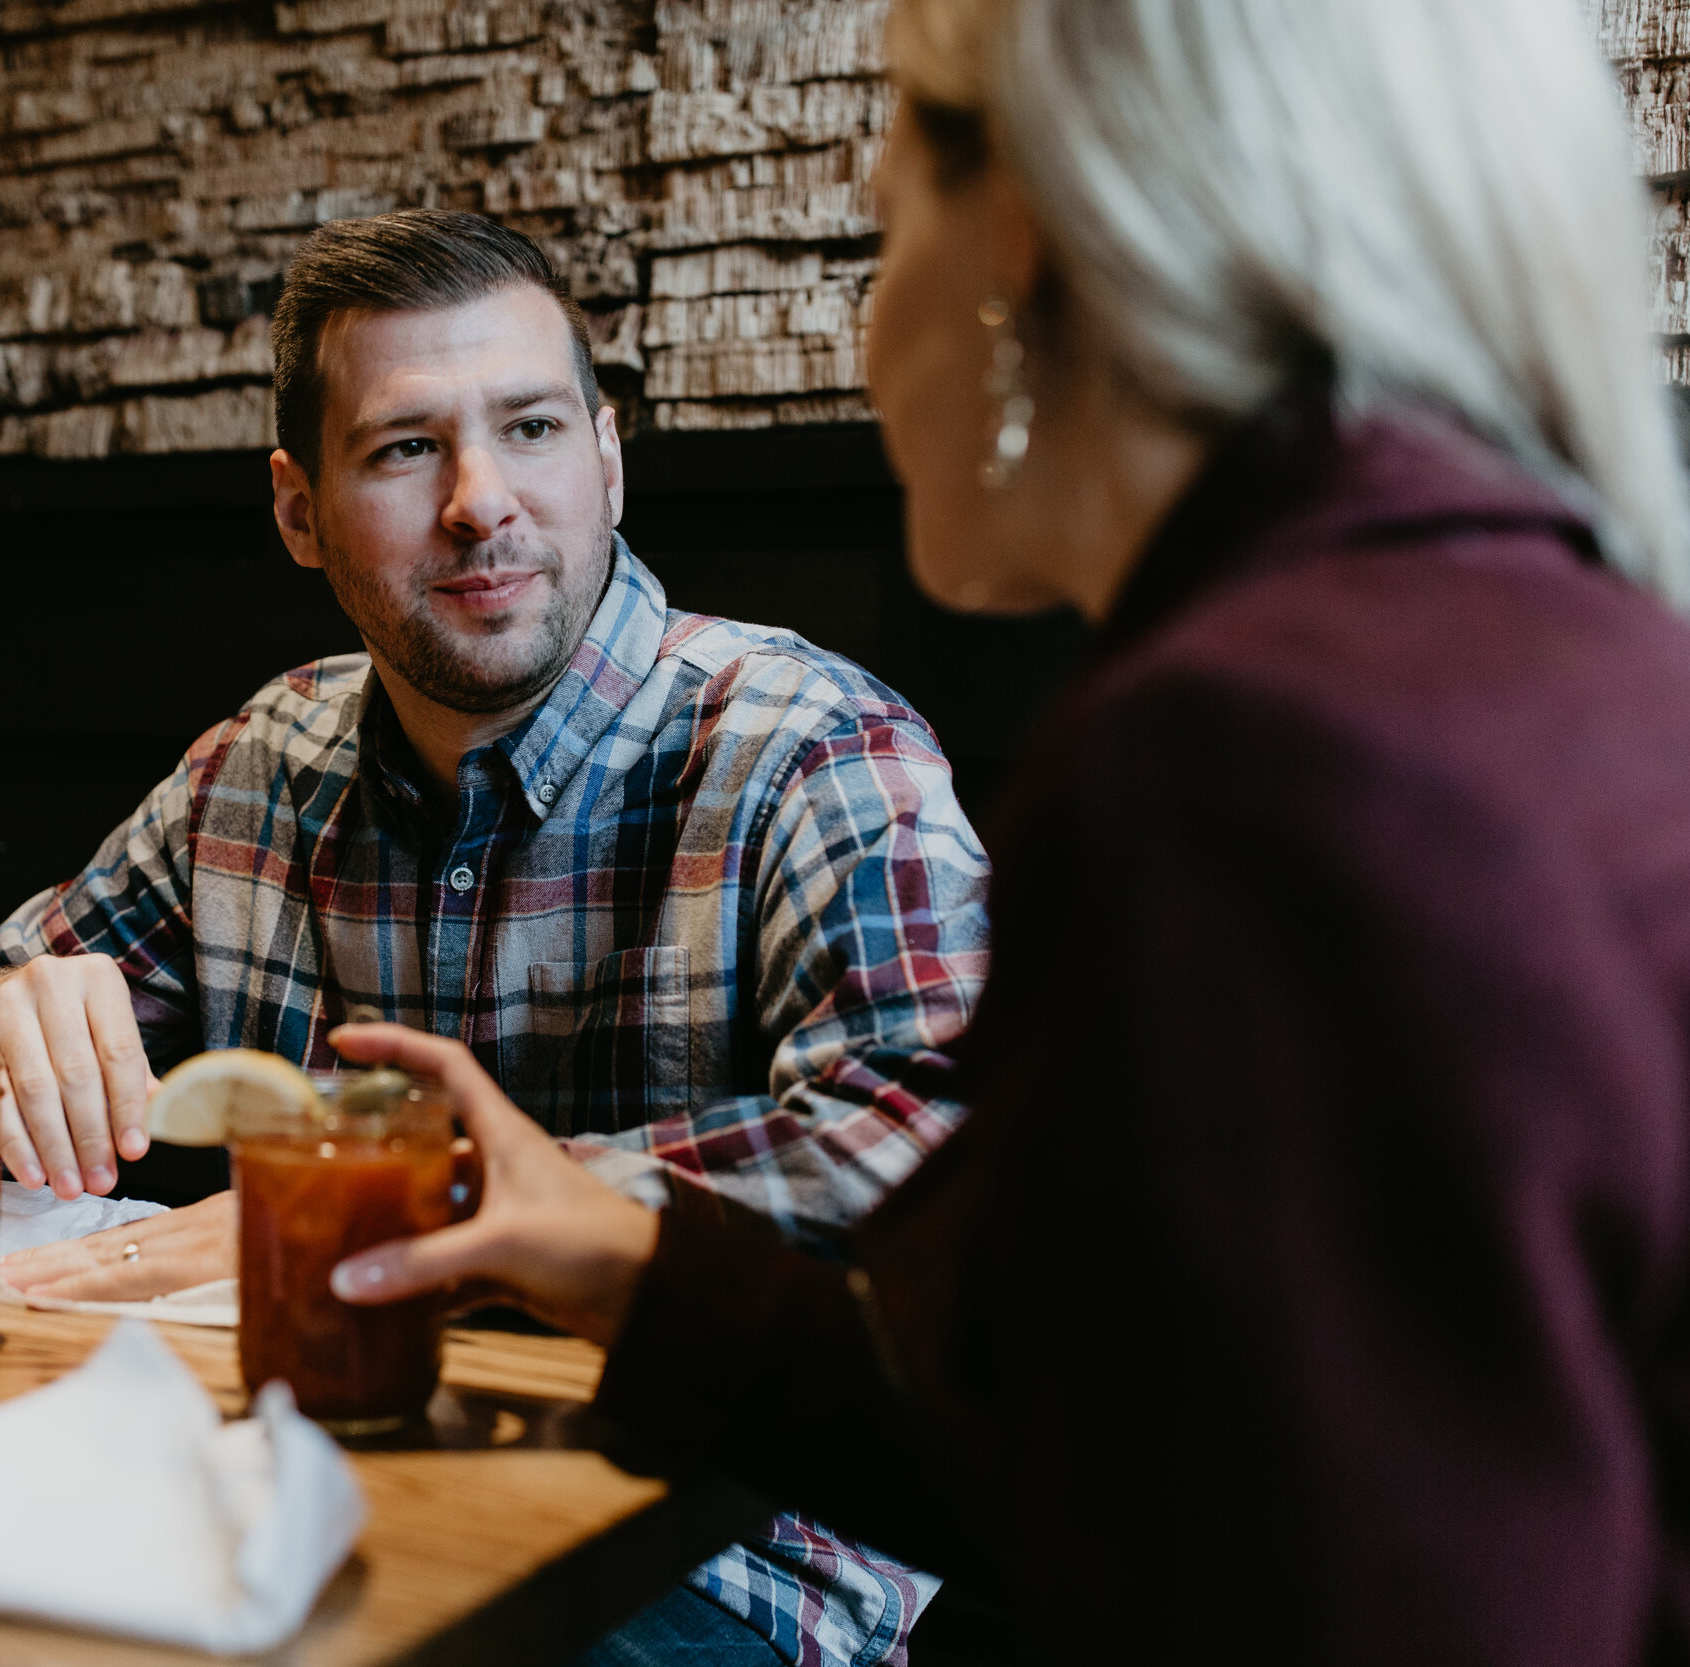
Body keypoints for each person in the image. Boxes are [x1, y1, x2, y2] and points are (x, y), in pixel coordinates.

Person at [318, 0, 1690, 1662]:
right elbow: (1113, 1462)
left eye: (884, 231)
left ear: (1021, 250)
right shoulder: (1526, 638)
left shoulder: (1252, 761)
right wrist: (625, 1263)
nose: (872, 325)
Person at [0, 210, 991, 1663]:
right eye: (406, 449)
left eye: (530, 427)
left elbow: (929, 1143)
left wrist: (455, 1208)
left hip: (727, 1558)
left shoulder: (808, 744)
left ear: (608, 455)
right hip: (306, 1496)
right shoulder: (259, 768)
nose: (482, 501)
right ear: (299, 511)